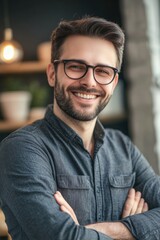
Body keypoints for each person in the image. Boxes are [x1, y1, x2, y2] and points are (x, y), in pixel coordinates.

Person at [0, 16, 160, 240]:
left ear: (113, 83)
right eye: (76, 67)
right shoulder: (21, 149)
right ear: (52, 74)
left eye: (103, 71)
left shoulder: (123, 147)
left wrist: (102, 230)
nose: (90, 82)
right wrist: (136, 232)